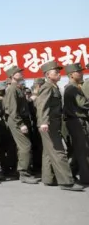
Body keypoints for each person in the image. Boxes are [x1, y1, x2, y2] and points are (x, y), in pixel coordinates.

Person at [35, 61, 83, 191]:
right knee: (59, 152)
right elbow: (42, 105)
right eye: (55, 72)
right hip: (49, 124)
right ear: (48, 75)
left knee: (48, 152)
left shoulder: (54, 86)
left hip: (54, 123)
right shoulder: (47, 87)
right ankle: (66, 182)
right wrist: (43, 122)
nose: (59, 74)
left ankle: (48, 178)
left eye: (58, 72)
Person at [4, 65, 39, 184]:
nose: (21, 73)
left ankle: (22, 170)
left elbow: (21, 106)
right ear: (12, 76)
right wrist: (20, 124)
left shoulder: (18, 88)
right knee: (26, 146)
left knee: (22, 147)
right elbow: (12, 110)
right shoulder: (12, 89)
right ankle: (24, 173)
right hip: (17, 121)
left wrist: (30, 100)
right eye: (18, 72)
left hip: (21, 119)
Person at [62, 63, 89, 185]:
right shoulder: (72, 88)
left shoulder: (73, 87)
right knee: (82, 150)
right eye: (78, 72)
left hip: (76, 120)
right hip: (76, 121)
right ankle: (85, 178)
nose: (81, 73)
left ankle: (71, 174)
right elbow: (83, 103)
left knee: (77, 150)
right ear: (71, 75)